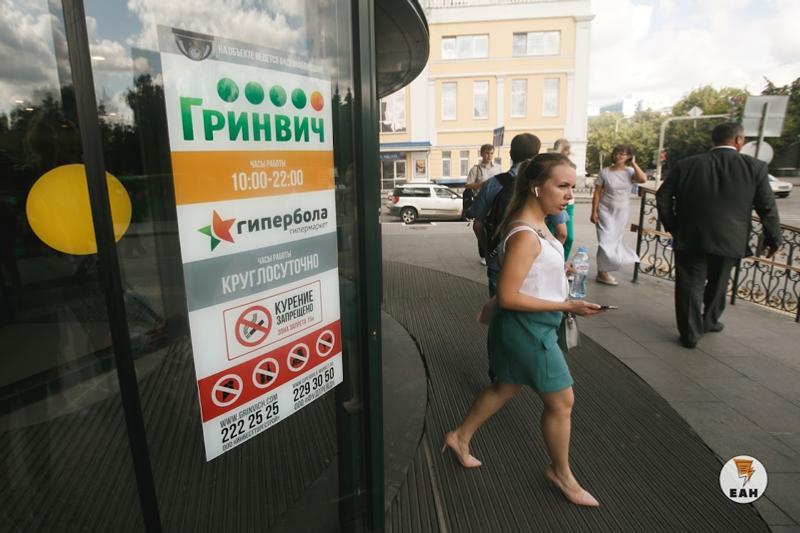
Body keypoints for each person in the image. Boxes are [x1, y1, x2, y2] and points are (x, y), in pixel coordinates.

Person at [443, 153, 604, 507]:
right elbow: (509, 295)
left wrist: (559, 272)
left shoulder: (536, 224)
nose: (569, 195)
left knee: (505, 386)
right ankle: (561, 474)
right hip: (527, 330)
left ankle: (459, 436)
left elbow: (529, 275)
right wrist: (567, 306)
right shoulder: (525, 233)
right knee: (562, 402)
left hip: (527, 327)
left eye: (572, 187)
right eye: (562, 186)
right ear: (536, 187)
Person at [655, 122, 782, 349]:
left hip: (691, 237)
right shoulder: (755, 167)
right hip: (731, 239)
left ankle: (690, 335)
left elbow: (663, 196)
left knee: (689, 285)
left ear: (713, 140)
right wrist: (774, 239)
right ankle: (709, 321)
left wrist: (674, 226)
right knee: (719, 282)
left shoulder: (687, 165)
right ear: (739, 140)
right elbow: (767, 207)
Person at [468, 134, 541, 296]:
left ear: (511, 154)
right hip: (534, 261)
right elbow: (562, 232)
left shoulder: (493, 183)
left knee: (499, 305)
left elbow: (477, 225)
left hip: (499, 259)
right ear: (537, 155)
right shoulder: (543, 184)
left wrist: (489, 252)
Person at [590, 144, 646, 285]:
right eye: (616, 153)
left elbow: (643, 179)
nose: (618, 156)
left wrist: (633, 163)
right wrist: (594, 211)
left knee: (614, 242)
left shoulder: (630, 171)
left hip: (621, 212)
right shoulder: (605, 172)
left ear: (628, 156)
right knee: (604, 242)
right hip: (605, 211)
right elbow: (597, 192)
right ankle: (603, 272)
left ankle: (602, 272)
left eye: (622, 154)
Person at [465, 144, 501, 265]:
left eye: (491, 153)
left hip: (496, 202)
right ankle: (484, 254)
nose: (489, 156)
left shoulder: (498, 168)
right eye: (486, 153)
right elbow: (468, 185)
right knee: (480, 227)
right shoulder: (476, 169)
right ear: (481, 154)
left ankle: (495, 252)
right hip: (481, 201)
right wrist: (482, 184)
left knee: (494, 227)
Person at [554, 138, 575, 259]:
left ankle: (561, 261)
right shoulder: (553, 165)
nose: (568, 152)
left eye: (568, 150)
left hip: (569, 204)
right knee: (559, 235)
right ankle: (556, 262)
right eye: (565, 149)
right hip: (556, 202)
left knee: (568, 237)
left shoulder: (570, 165)